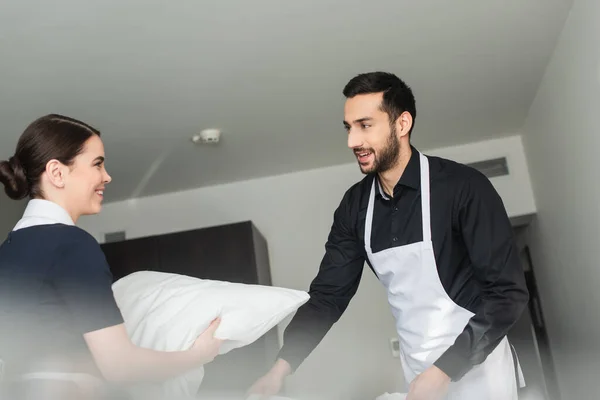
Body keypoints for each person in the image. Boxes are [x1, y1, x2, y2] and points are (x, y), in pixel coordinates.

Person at [248, 72, 529, 400]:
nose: (352, 141)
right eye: (349, 128)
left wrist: (445, 370)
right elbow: (328, 296)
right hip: (417, 371)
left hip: (480, 369)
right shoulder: (355, 207)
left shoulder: (463, 187)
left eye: (365, 125)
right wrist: (280, 368)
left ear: (402, 123)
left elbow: (507, 293)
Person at [0, 114, 222, 399]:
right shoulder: (71, 243)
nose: (107, 176)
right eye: (97, 164)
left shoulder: (8, 250)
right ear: (57, 173)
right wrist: (198, 355)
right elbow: (120, 365)